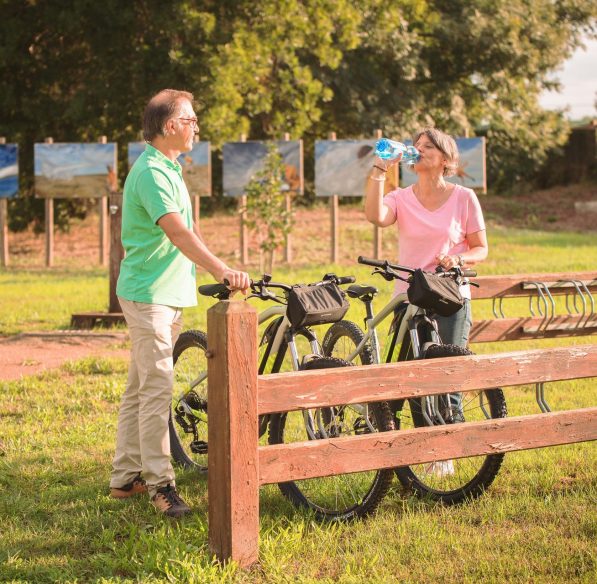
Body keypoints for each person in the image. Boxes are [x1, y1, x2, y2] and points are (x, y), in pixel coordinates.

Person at [109, 89, 250, 518]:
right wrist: (220, 269)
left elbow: (190, 231)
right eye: (190, 120)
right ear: (170, 126)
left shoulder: (169, 167)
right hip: (148, 295)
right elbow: (178, 233)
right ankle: (161, 485)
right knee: (157, 390)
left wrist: (216, 264)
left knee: (140, 387)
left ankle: (125, 476)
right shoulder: (152, 172)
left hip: (162, 294)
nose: (196, 127)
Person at [365, 127, 488, 462]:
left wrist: (458, 258)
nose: (418, 150)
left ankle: (448, 453)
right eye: (416, 145)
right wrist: (379, 168)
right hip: (410, 298)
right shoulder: (401, 197)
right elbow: (375, 216)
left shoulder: (464, 198)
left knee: (448, 373)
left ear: (445, 159)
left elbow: (481, 249)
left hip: (450, 295)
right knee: (408, 378)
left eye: (428, 146)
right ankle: (400, 452)